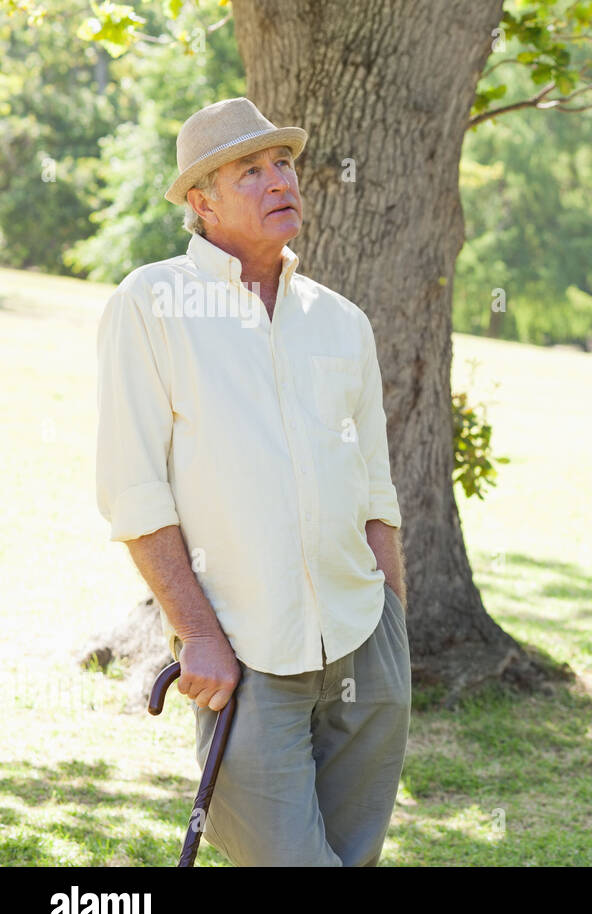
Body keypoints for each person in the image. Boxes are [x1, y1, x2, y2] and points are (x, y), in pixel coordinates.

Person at [94, 97, 410, 866]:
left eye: (284, 164)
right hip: (244, 650)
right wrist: (198, 633)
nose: (280, 181)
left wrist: (394, 624)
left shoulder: (342, 321)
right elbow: (132, 491)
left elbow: (375, 489)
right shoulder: (150, 305)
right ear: (201, 201)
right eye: (251, 171)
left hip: (363, 640)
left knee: (354, 857)